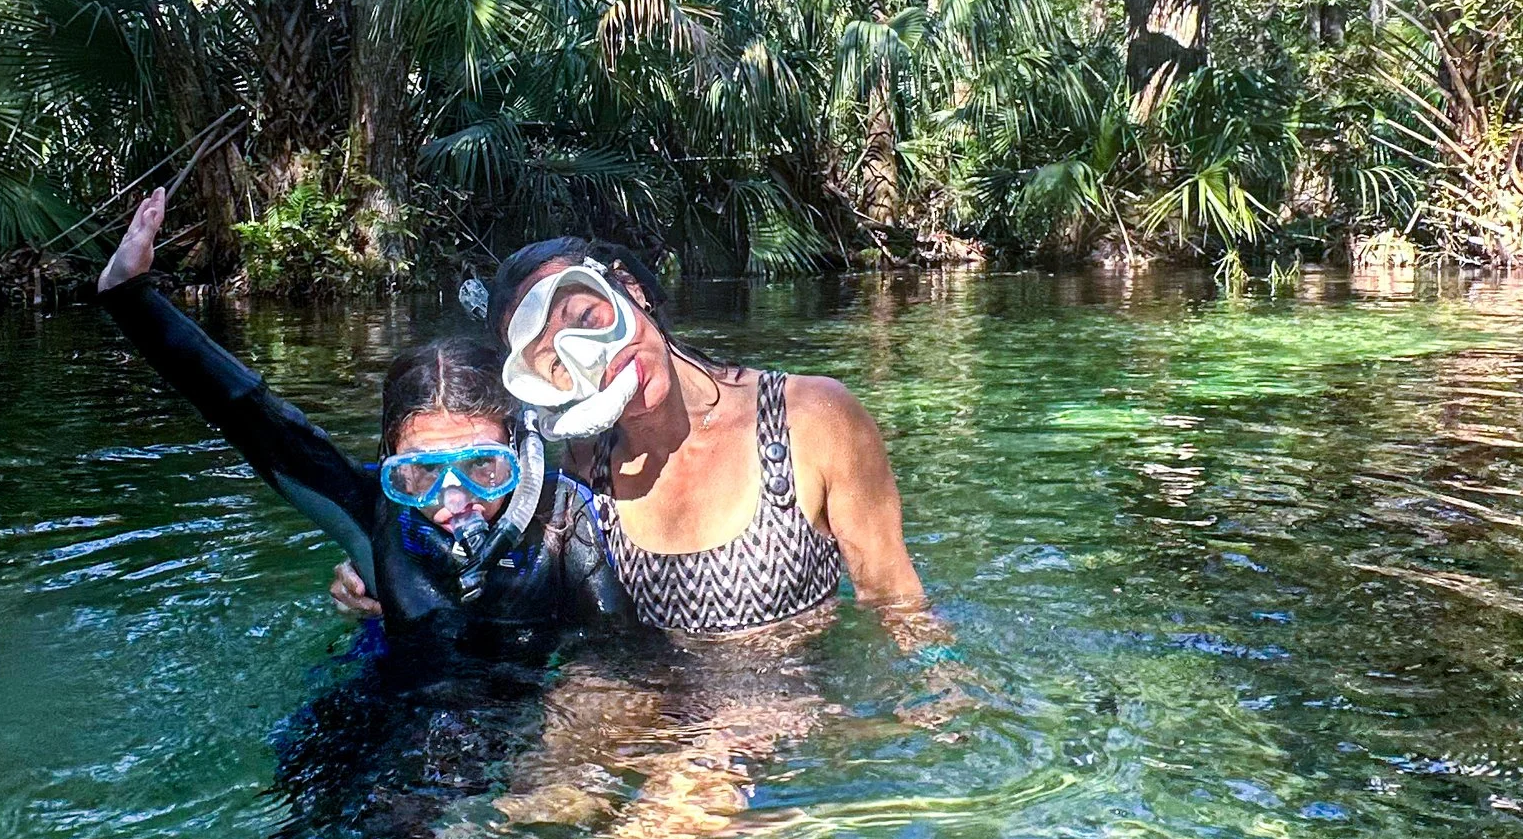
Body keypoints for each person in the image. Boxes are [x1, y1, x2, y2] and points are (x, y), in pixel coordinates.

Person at [95, 189, 627, 655]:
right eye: (419, 475)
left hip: (529, 729)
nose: (453, 502)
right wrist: (131, 299)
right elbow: (256, 421)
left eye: (484, 468)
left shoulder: (562, 518)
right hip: (386, 716)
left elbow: (619, 658)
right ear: (389, 464)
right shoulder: (377, 514)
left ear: (521, 449)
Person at [487, 238, 926, 636]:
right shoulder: (582, 469)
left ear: (629, 288)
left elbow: (897, 605)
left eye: (587, 317)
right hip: (655, 720)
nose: (591, 357)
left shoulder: (812, 417)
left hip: (800, 710)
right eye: (557, 365)